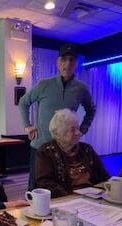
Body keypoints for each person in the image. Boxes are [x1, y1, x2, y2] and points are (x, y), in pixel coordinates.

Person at [19, 43, 96, 190]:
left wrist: (83, 129)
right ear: (58, 62)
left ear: (76, 63)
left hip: (65, 148)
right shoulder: (44, 85)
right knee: (35, 188)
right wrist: (27, 125)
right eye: (64, 59)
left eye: (71, 59)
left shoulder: (81, 89)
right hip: (40, 146)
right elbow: (23, 102)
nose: (67, 64)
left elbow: (91, 109)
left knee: (61, 186)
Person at [35, 109, 109, 198]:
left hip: (93, 198)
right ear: (58, 133)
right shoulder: (46, 152)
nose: (78, 133)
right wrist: (71, 196)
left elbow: (104, 177)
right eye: (72, 130)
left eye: (78, 128)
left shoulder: (86, 149)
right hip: (65, 200)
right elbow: (44, 183)